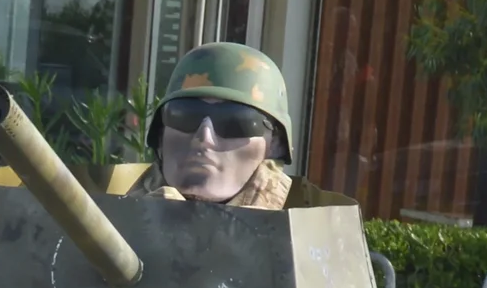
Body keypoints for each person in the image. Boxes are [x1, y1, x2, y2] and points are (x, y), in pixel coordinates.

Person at [133, 43, 351, 212]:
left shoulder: (313, 229)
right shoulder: (115, 215)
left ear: (274, 144)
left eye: (235, 122)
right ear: (160, 135)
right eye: (184, 116)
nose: (204, 137)